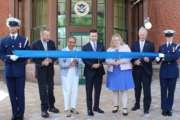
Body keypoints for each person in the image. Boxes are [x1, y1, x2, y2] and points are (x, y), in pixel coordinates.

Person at [0, 17, 29, 120]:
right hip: (9, 72)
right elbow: (1, 54)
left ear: (18, 27)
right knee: (12, 95)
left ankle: (20, 114)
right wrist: (8, 58)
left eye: (14, 26)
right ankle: (14, 113)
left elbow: (27, 55)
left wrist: (19, 57)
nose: (12, 28)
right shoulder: (3, 40)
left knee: (20, 94)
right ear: (9, 27)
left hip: (20, 71)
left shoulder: (24, 40)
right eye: (10, 26)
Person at [31, 28, 59, 118]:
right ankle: (44, 110)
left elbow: (55, 54)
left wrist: (51, 59)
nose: (49, 37)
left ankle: (51, 106)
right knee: (43, 91)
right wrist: (42, 62)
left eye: (49, 35)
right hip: (41, 71)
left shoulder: (51, 43)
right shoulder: (35, 44)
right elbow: (32, 57)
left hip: (50, 70)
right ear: (41, 35)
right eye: (47, 35)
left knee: (51, 89)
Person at [106, 34, 134, 116]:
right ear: (112, 41)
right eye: (114, 40)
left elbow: (130, 57)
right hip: (113, 70)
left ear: (120, 40)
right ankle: (115, 106)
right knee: (114, 90)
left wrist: (121, 61)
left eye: (117, 40)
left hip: (124, 70)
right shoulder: (109, 49)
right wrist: (112, 62)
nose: (116, 41)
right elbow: (107, 59)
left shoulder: (126, 47)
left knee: (124, 90)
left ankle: (124, 108)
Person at [131, 27, 155, 115]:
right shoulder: (134, 44)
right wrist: (134, 61)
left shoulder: (151, 44)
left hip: (146, 71)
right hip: (136, 71)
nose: (142, 36)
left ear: (146, 35)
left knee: (146, 90)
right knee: (137, 89)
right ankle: (137, 104)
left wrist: (149, 59)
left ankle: (146, 108)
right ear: (138, 34)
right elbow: (131, 56)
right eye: (140, 34)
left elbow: (153, 56)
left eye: (143, 34)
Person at [82, 29, 105, 116]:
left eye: (95, 36)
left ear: (97, 36)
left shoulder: (101, 45)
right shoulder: (85, 47)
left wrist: (99, 63)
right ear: (89, 36)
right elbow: (84, 59)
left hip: (99, 71)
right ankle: (89, 109)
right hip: (89, 72)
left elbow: (104, 56)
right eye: (92, 36)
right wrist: (92, 65)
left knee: (98, 90)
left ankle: (96, 107)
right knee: (89, 91)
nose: (94, 37)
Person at [156, 29, 179, 116]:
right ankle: (164, 108)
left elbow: (175, 57)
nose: (169, 38)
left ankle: (169, 109)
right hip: (164, 72)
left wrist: (164, 57)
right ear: (165, 37)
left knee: (171, 91)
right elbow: (158, 60)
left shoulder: (176, 46)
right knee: (163, 91)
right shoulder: (162, 47)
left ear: (172, 37)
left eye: (170, 36)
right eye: (167, 36)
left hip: (173, 72)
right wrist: (157, 59)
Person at [59, 36, 81, 117]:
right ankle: (66, 108)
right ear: (67, 42)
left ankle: (73, 107)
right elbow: (61, 63)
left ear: (75, 43)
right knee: (67, 91)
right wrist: (69, 64)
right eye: (70, 42)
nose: (71, 44)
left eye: (73, 42)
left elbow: (81, 61)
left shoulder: (77, 51)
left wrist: (77, 61)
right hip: (66, 74)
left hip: (75, 73)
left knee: (74, 90)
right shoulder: (63, 51)